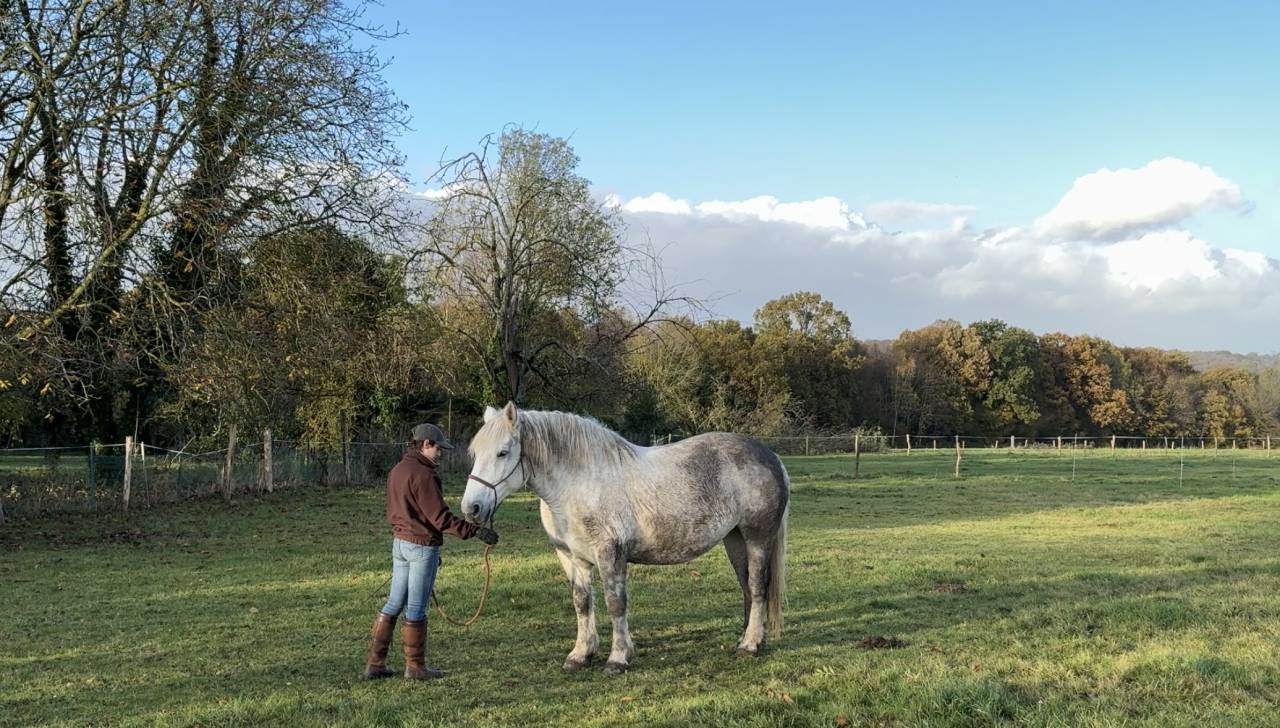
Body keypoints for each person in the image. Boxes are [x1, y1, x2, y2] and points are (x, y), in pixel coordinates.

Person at [362, 422, 499, 681]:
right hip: (421, 547)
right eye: (438, 448)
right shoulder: (425, 475)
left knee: (394, 602)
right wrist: (475, 531)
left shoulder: (398, 470)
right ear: (426, 444)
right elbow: (441, 519)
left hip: (400, 544)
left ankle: (375, 663)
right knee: (416, 607)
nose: (441, 453)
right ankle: (415, 667)